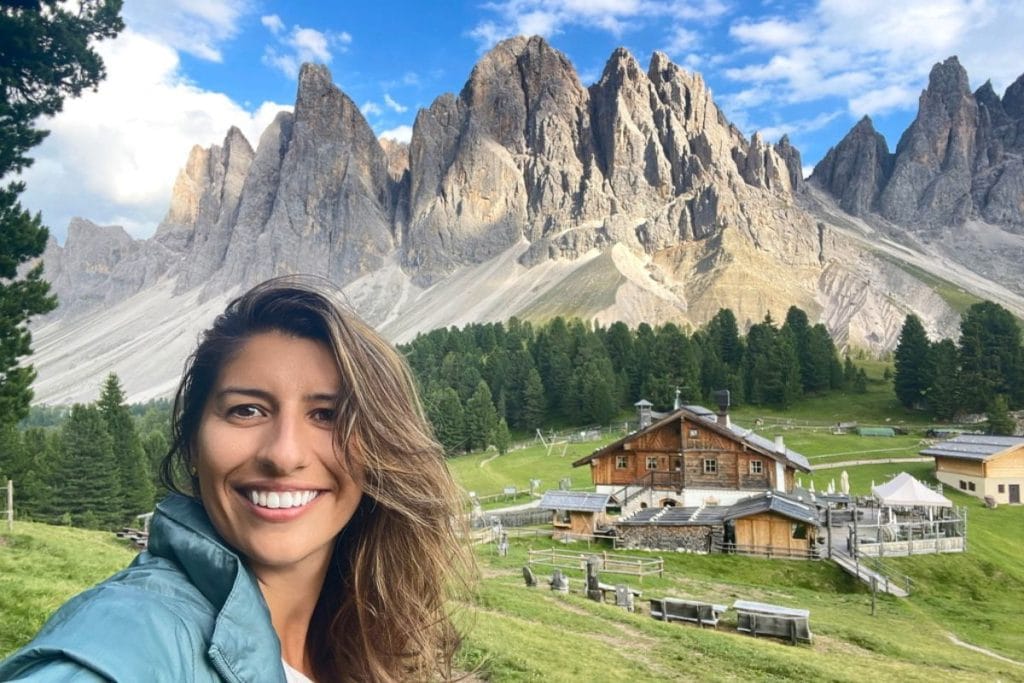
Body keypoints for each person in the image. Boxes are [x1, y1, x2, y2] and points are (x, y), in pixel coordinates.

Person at [0, 276, 473, 682]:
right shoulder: (125, 640)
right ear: (191, 443)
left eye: (328, 415)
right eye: (246, 410)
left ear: (381, 446)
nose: (284, 455)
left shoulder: (359, 633)